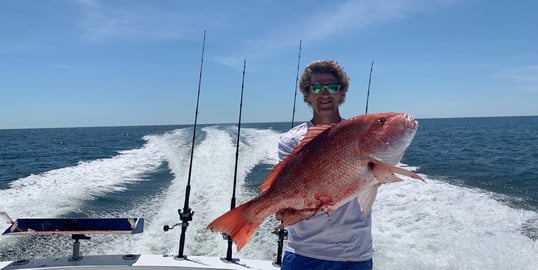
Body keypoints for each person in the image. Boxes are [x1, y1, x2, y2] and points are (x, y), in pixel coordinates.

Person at [278, 60, 373, 269]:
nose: (325, 93)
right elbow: (287, 188)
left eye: (332, 87)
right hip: (303, 252)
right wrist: (284, 209)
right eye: (317, 87)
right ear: (307, 94)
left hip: (354, 254)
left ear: (341, 92)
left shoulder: (361, 136)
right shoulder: (291, 141)